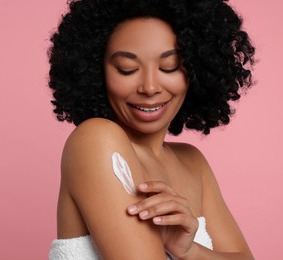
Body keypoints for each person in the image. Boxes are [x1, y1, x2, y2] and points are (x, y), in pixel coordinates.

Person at [47, 0, 255, 259]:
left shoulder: (193, 163)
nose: (149, 87)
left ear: (197, 69)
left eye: (170, 67)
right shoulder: (96, 141)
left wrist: (189, 250)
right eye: (127, 69)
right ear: (96, 71)